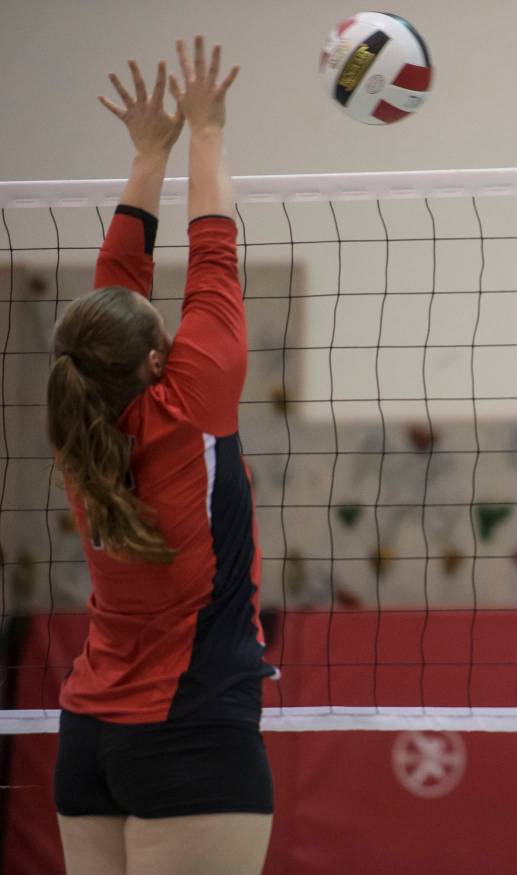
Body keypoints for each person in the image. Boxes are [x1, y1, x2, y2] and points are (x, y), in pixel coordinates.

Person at [48, 37, 274, 875]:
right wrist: (202, 132)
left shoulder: (80, 427)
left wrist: (152, 155)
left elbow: (117, 289)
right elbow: (213, 253)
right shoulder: (191, 406)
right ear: (154, 363)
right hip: (191, 737)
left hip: (90, 744)